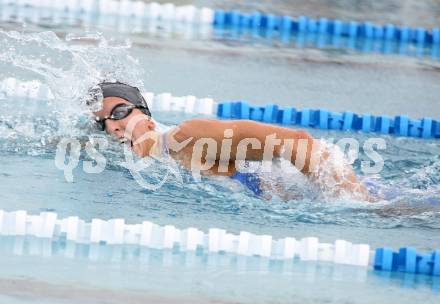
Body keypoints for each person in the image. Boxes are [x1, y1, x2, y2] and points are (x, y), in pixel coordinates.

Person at [91, 81, 371, 201]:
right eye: (103, 122)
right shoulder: (148, 161)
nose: (114, 126)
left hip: (357, 200)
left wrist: (351, 200)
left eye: (119, 112)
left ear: (146, 114)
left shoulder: (186, 137)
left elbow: (299, 142)